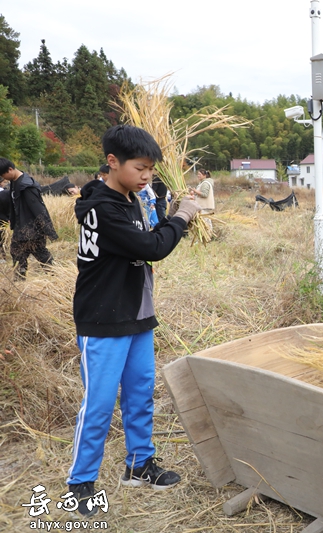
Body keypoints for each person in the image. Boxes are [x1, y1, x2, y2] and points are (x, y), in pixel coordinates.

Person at [67, 124, 200, 517]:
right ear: (113, 162)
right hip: (103, 320)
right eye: (140, 168)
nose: (146, 176)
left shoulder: (131, 200)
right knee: (100, 404)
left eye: (151, 171)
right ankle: (81, 484)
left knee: (141, 395)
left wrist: (172, 217)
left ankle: (139, 465)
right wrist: (183, 218)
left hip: (136, 315)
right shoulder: (103, 208)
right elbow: (152, 247)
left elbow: (149, 239)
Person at [0, 158, 58, 280]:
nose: (3, 178)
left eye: (2, 174)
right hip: (21, 229)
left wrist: (49, 231)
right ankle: (19, 281)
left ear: (10, 169)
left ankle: (57, 280)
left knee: (41, 255)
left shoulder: (26, 186)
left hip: (32, 230)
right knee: (17, 255)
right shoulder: (15, 183)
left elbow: (39, 210)